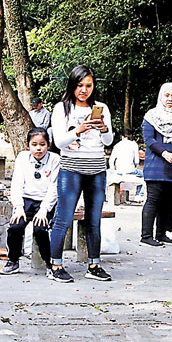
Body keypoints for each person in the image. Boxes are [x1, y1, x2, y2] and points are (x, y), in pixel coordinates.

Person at [48, 65, 114, 282]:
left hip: (97, 169)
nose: (84, 90)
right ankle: (55, 265)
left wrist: (103, 129)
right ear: (72, 85)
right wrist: (79, 130)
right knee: (64, 218)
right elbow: (59, 142)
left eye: (88, 85)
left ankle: (94, 264)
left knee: (94, 220)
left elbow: (108, 142)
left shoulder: (101, 107)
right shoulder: (62, 108)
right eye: (79, 85)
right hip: (71, 169)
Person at [0, 127, 60, 276]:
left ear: (48, 145)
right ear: (28, 145)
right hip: (26, 200)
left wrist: (44, 210)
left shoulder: (55, 160)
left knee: (40, 229)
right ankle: (13, 260)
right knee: (15, 227)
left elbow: (54, 187)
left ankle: (49, 264)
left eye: (42, 144)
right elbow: (17, 183)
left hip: (45, 200)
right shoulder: (22, 158)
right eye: (34, 144)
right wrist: (19, 207)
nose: (38, 148)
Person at [140, 83, 172, 246]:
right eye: (167, 95)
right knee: (154, 200)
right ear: (161, 96)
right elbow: (149, 140)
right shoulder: (152, 115)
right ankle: (146, 236)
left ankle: (161, 233)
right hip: (157, 164)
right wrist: (164, 152)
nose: (170, 99)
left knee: (169, 201)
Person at [108, 131, 144, 200]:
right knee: (144, 176)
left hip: (119, 171)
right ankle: (139, 195)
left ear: (122, 137)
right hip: (130, 170)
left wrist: (113, 170)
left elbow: (111, 161)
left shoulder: (117, 145)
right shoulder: (134, 144)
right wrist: (135, 166)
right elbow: (137, 161)